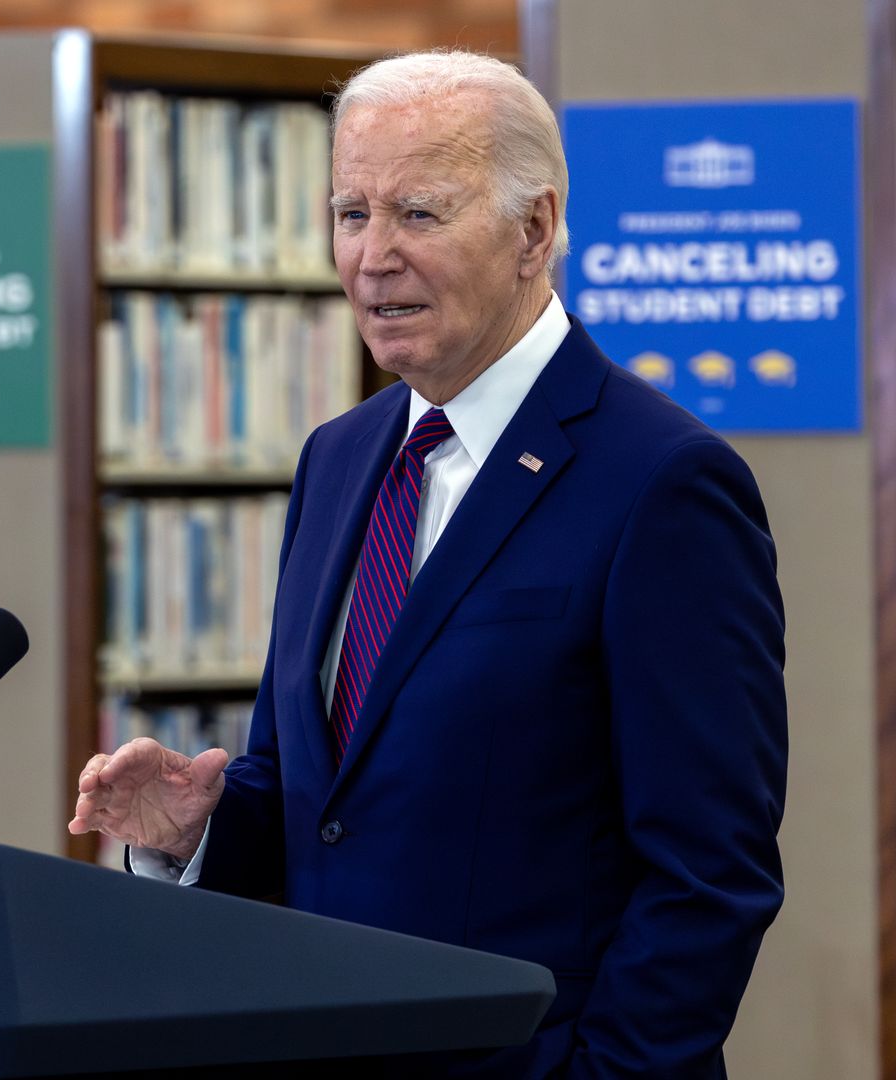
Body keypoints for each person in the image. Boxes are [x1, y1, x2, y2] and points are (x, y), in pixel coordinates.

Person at [68, 49, 787, 1079]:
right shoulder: (340, 457)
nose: (372, 257)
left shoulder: (663, 482)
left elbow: (711, 872)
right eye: (351, 213)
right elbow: (327, 796)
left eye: (418, 214)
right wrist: (201, 832)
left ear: (533, 230)